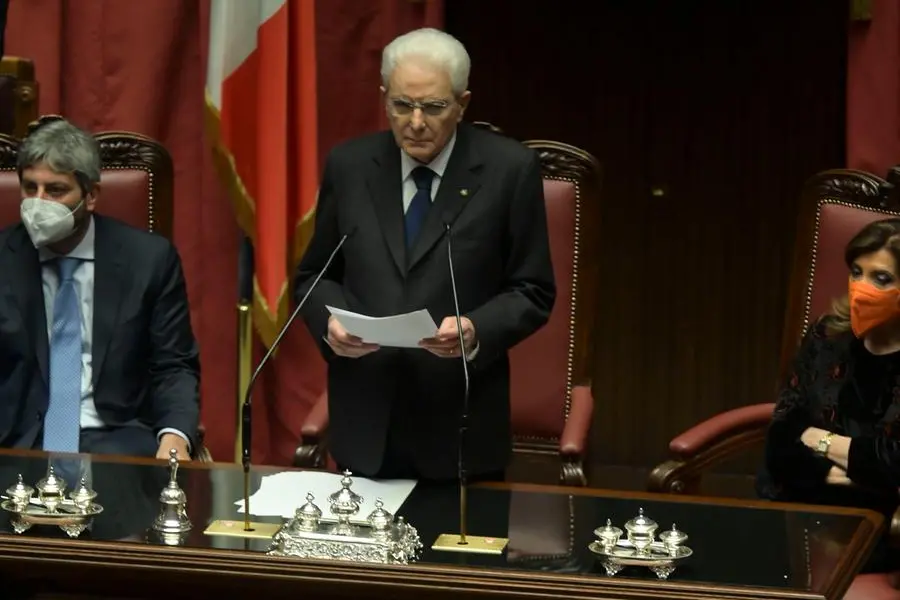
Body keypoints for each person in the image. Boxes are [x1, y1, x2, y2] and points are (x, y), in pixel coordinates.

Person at [294, 28, 555, 481]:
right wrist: (329, 325)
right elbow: (316, 275)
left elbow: (532, 289)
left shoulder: (508, 171)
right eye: (401, 105)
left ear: (462, 103)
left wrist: (476, 329)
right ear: (384, 98)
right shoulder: (350, 166)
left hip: (459, 428)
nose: (415, 122)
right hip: (366, 424)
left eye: (433, 107)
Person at [0, 117, 200, 460]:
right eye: (30, 188)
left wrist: (175, 436)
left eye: (56, 190)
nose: (38, 203)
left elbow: (173, 365)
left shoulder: (148, 260)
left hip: (117, 439)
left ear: (90, 196)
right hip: (16, 443)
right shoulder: (5, 257)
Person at [758, 217, 900, 572]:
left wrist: (816, 439)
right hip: (797, 512)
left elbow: (893, 462)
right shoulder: (827, 336)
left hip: (879, 532)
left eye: (881, 278)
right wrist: (845, 466)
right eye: (856, 272)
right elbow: (781, 438)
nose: (861, 287)